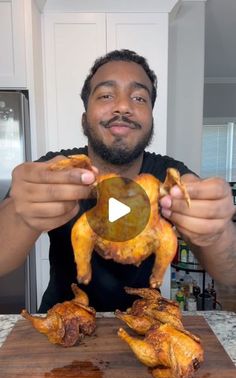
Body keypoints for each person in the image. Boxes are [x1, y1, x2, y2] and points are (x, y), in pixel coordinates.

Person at [0, 49, 235, 312]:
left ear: (151, 122)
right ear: (84, 118)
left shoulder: (171, 177)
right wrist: (20, 215)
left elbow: (231, 275)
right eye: (106, 95)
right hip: (64, 320)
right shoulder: (55, 171)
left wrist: (218, 232)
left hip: (145, 323)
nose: (123, 106)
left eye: (139, 97)